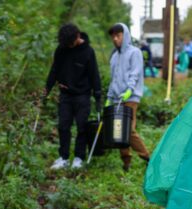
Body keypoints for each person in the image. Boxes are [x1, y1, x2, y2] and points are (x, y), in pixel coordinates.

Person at [45, 23, 101, 170]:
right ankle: (63, 158)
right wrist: (46, 90)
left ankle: (78, 158)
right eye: (66, 44)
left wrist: (98, 96)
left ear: (78, 36)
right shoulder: (61, 49)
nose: (69, 46)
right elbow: (54, 71)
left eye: (71, 43)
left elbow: (94, 75)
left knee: (82, 127)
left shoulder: (88, 51)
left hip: (83, 95)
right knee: (63, 126)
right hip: (65, 95)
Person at [106, 23, 151, 171]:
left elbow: (135, 73)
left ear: (125, 35)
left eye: (118, 35)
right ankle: (126, 162)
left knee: (129, 130)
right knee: (119, 131)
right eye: (113, 36)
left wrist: (129, 90)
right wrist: (109, 97)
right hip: (117, 99)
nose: (115, 39)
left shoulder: (134, 52)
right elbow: (113, 79)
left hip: (130, 98)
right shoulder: (114, 56)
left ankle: (147, 157)